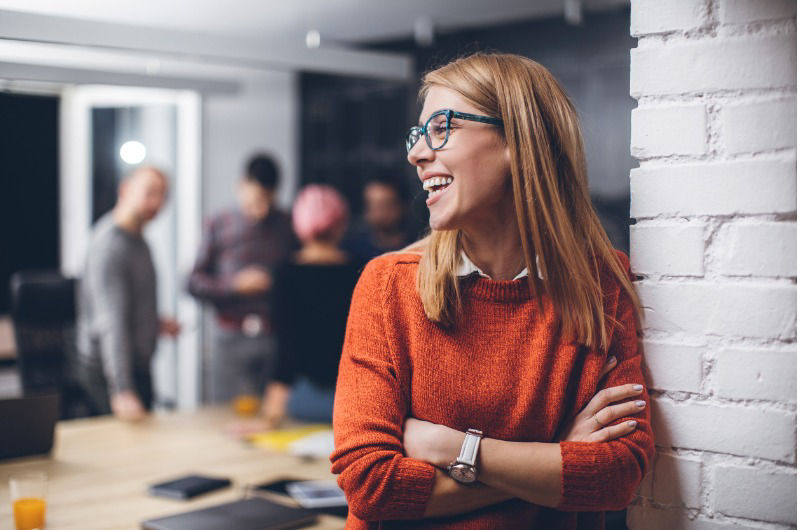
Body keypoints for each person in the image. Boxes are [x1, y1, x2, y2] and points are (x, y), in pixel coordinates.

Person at [330, 53, 654, 529]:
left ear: (518, 142)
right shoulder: (388, 286)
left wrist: (456, 450)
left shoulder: (601, 285)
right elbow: (371, 484)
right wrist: (555, 459)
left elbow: (618, 475)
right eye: (418, 135)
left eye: (441, 127)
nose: (416, 154)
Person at [228, 184, 362, 436]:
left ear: (299, 224)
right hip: (356, 401)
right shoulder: (363, 270)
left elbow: (286, 350)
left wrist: (269, 417)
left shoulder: (286, 274)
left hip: (305, 401)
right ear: (341, 222)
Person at [188, 154, 297, 403]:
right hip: (230, 337)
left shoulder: (286, 224)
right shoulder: (218, 223)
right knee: (224, 414)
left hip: (275, 336)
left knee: (274, 417)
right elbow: (193, 282)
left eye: (270, 199)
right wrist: (235, 285)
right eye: (257, 198)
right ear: (242, 186)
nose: (263, 208)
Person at [76, 166, 180, 421]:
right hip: (109, 373)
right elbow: (111, 322)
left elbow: (128, 306)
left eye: (163, 195)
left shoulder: (140, 241)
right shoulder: (110, 247)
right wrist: (122, 389)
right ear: (125, 190)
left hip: (137, 365)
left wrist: (152, 323)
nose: (157, 202)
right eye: (150, 192)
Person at [343, 177, 414, 261]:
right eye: (371, 206)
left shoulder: (415, 249)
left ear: (402, 206)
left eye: (384, 205)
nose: (378, 213)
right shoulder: (352, 251)